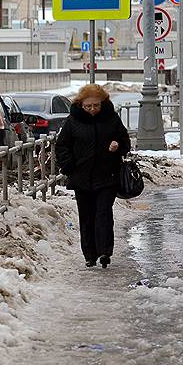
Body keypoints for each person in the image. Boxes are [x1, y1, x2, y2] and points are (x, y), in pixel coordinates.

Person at [55, 84, 131, 268]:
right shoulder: (73, 121)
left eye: (96, 105)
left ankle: (105, 252)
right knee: (86, 216)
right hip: (82, 177)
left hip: (107, 175)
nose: (92, 109)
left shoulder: (111, 118)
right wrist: (69, 166)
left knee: (103, 214)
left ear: (103, 103)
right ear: (81, 104)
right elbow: (62, 146)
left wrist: (117, 146)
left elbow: (125, 141)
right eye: (88, 106)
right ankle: (90, 255)